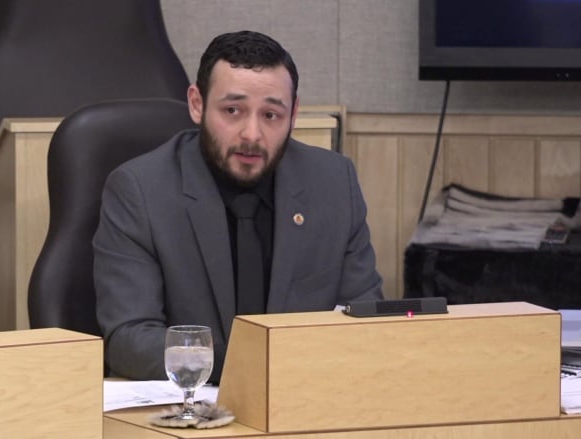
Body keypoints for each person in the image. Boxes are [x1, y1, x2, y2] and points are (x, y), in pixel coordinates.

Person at [93, 30, 383, 382]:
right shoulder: (140, 190)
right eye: (233, 110)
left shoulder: (334, 183)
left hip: (303, 402)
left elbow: (363, 319)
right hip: (191, 411)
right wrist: (249, 369)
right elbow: (129, 340)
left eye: (271, 115)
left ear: (293, 114)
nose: (251, 134)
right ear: (197, 104)